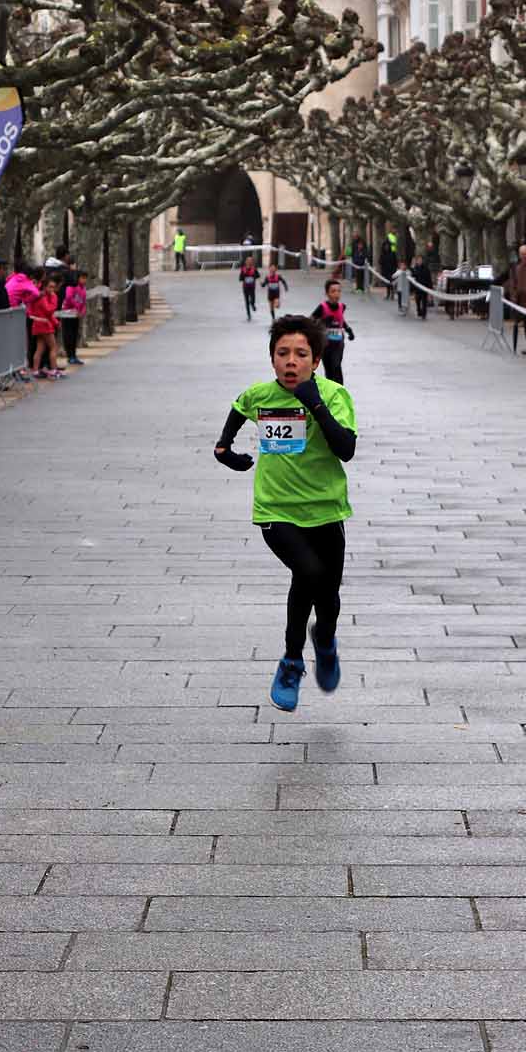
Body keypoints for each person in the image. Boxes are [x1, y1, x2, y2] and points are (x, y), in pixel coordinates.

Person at [213, 312, 357, 713]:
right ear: (271, 358)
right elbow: (240, 407)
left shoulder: (333, 396)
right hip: (276, 510)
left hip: (326, 509)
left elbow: (346, 449)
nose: (290, 361)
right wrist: (224, 449)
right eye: (282, 353)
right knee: (308, 574)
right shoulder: (262, 394)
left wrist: (314, 405)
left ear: (315, 361)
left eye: (300, 354)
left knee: (327, 594)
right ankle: (291, 661)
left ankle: (324, 641)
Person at [311, 278, 355, 384]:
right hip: (325, 344)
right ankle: (331, 393)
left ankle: (340, 390)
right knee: (329, 370)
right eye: (333, 291)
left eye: (339, 291)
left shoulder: (342, 306)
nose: (337, 294)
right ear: (327, 293)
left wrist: (348, 330)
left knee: (336, 366)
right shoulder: (322, 307)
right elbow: (311, 321)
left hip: (338, 342)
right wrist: (323, 321)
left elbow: (340, 319)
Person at [27, 271, 61, 378]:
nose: (52, 290)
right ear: (45, 287)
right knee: (53, 347)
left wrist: (55, 322)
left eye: (53, 287)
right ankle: (54, 369)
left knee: (40, 349)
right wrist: (54, 302)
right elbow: (48, 311)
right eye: (50, 287)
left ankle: (36, 370)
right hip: (44, 325)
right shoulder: (43, 297)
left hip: (38, 324)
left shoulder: (40, 296)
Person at [61, 269, 87, 365]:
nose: (84, 280)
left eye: (85, 278)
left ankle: (74, 355)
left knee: (75, 334)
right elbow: (69, 298)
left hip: (76, 315)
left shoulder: (83, 288)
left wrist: (82, 311)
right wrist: (76, 307)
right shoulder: (71, 286)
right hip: (68, 313)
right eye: (82, 278)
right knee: (69, 335)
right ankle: (70, 355)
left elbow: (83, 301)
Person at [410, 254, 433, 319]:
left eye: (421, 260)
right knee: (417, 300)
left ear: (422, 261)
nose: (419, 261)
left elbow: (429, 278)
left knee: (424, 301)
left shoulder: (426, 268)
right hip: (417, 287)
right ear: (417, 261)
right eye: (418, 260)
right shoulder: (415, 268)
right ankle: (419, 310)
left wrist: (430, 288)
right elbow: (413, 277)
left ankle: (424, 314)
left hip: (424, 286)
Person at [238, 254, 259, 320]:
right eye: (248, 260)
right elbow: (240, 278)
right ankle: (249, 315)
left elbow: (258, 275)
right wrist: (244, 276)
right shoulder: (243, 269)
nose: (249, 262)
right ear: (246, 262)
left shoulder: (254, 268)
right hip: (245, 287)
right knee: (246, 301)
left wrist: (253, 277)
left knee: (253, 298)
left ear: (252, 262)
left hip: (252, 287)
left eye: (251, 260)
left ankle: (252, 305)